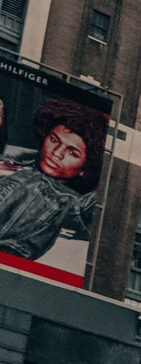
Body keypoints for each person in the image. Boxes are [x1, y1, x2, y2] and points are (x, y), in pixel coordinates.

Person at [0, 98, 106, 262]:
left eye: (72, 153)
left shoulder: (66, 201)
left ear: (85, 169)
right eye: (54, 140)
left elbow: (94, 206)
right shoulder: (15, 163)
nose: (57, 153)